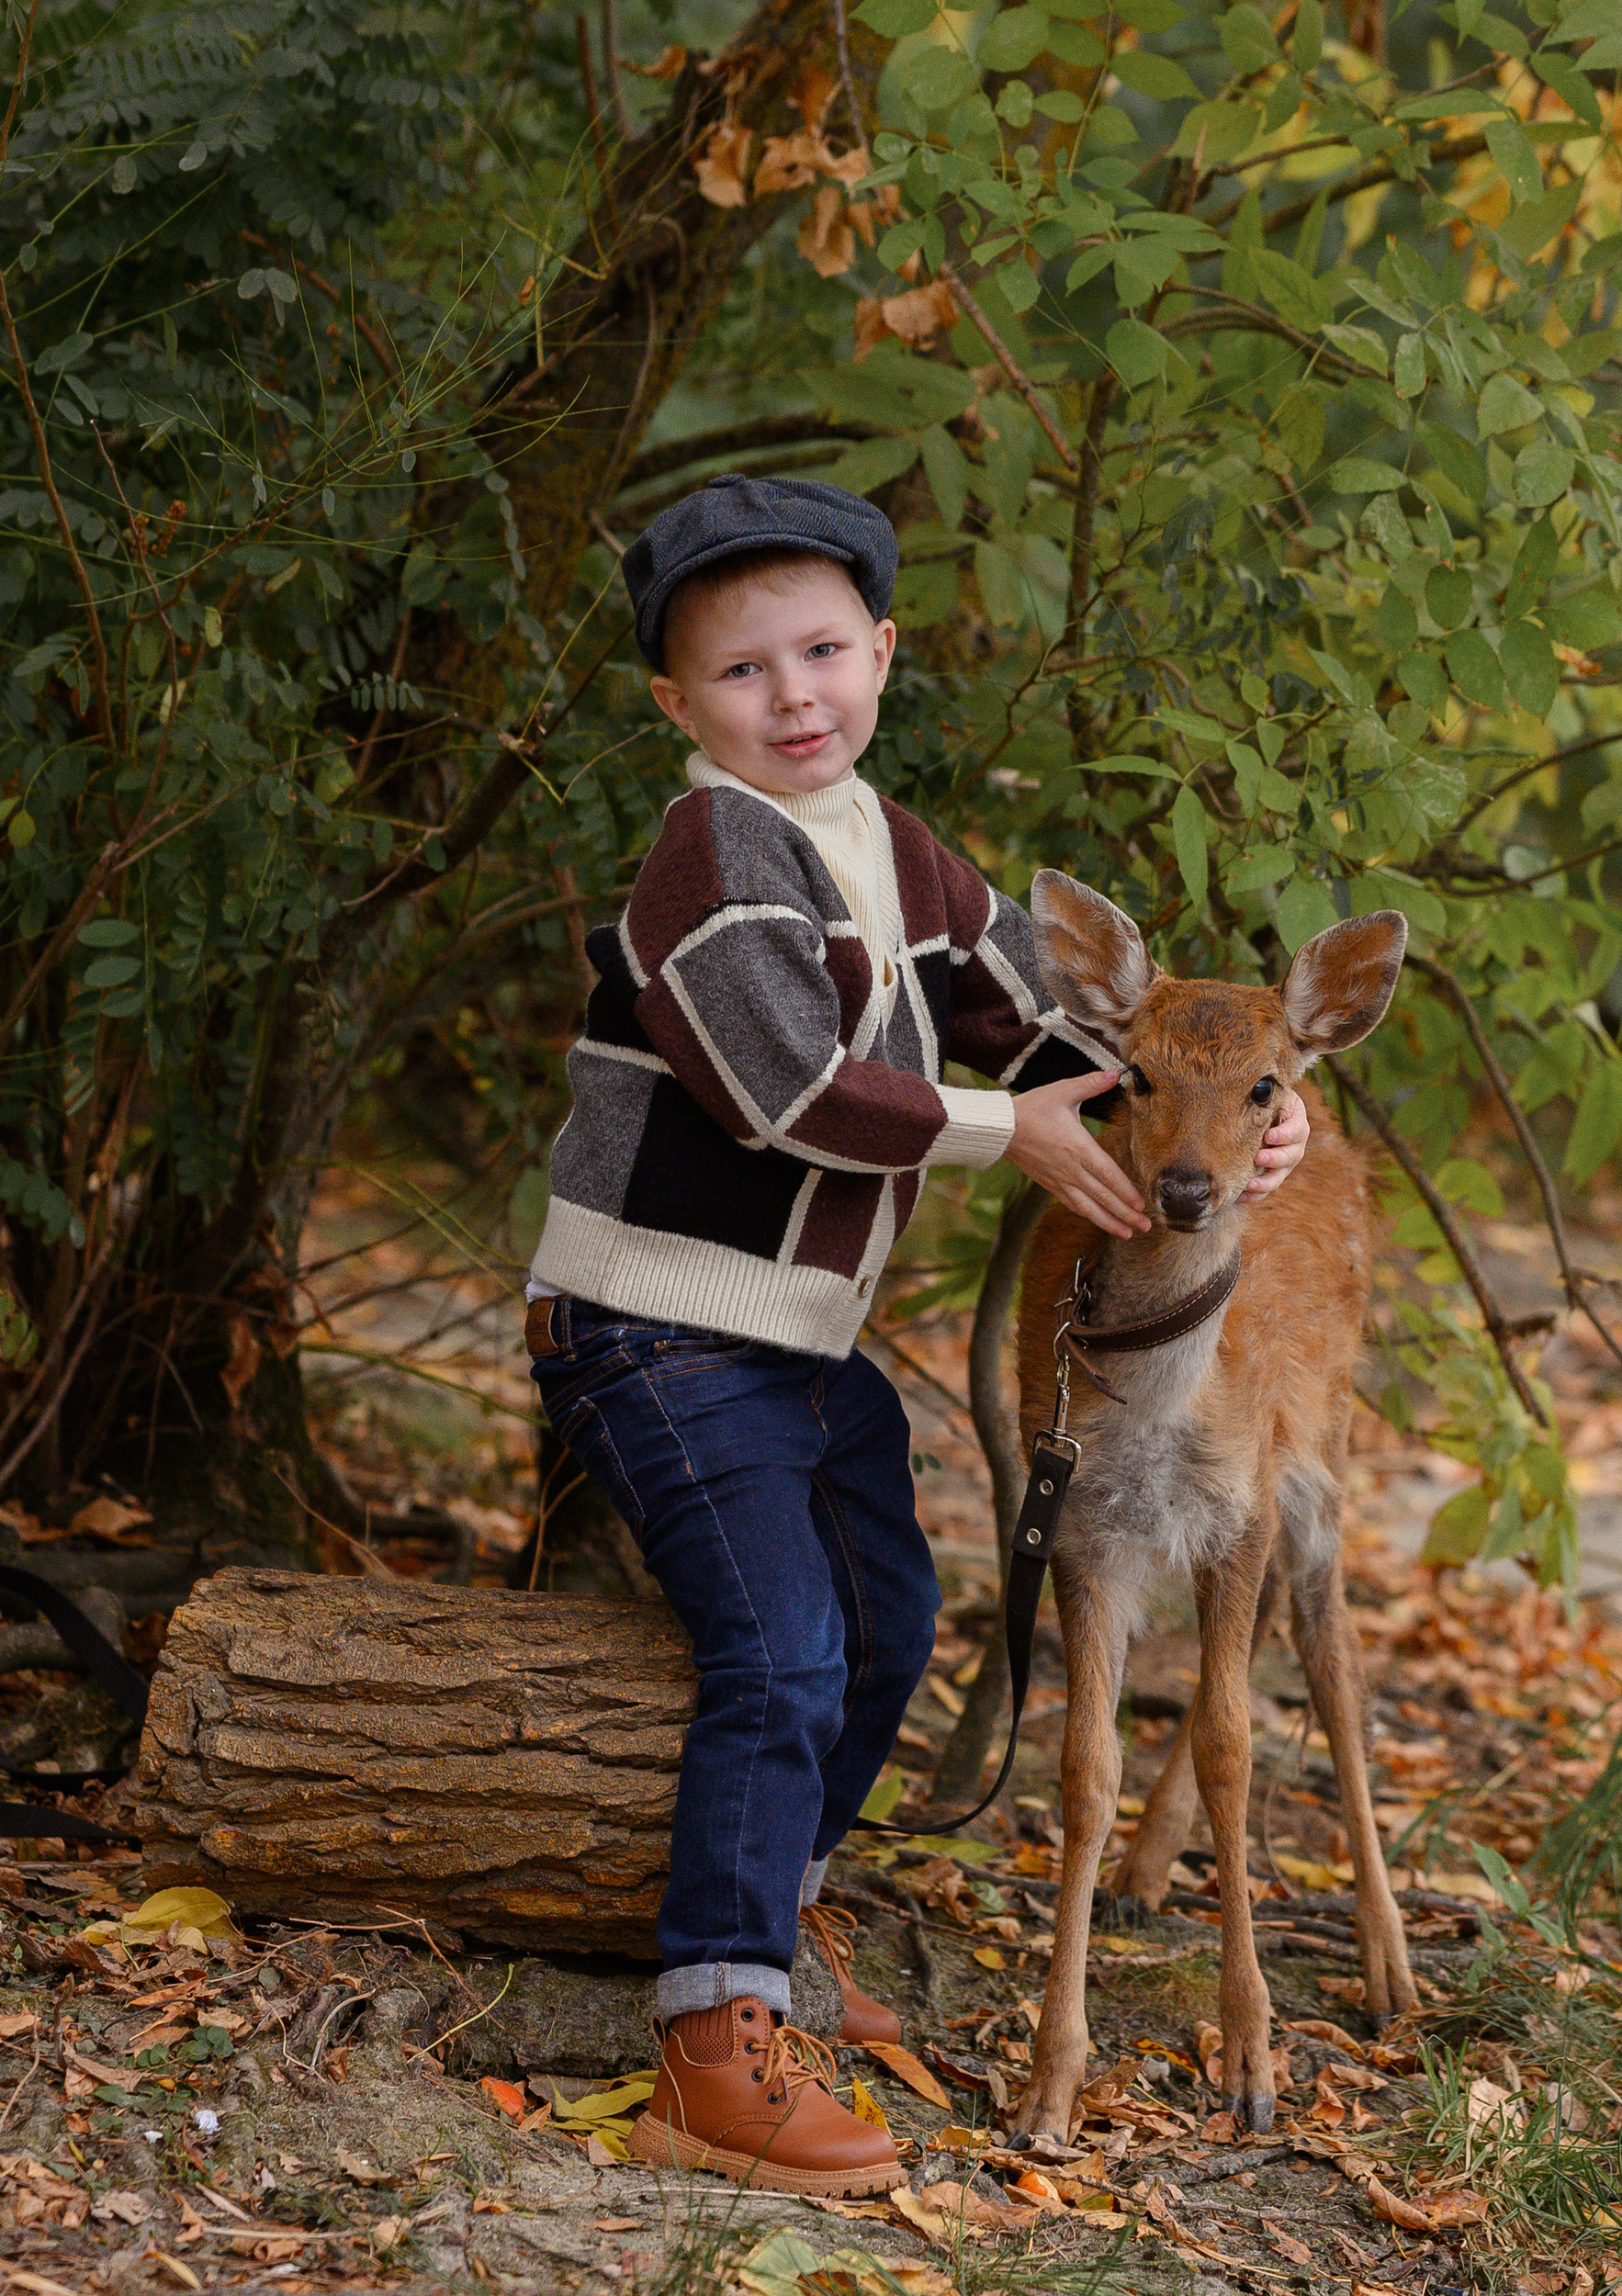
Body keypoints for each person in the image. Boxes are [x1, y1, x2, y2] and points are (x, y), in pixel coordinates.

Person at [522, 476, 1310, 2196]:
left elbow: (1063, 1039)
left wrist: (1252, 1116)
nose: (792, 696)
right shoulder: (710, 856)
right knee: (785, 1649)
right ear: (676, 704)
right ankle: (711, 2046)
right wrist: (1002, 1131)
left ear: (882, 653)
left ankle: (776, 1928)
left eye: (821, 652)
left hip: (792, 1342)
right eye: (742, 671)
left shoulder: (894, 848)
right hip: (650, 1327)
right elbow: (781, 1088)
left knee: (894, 1619)